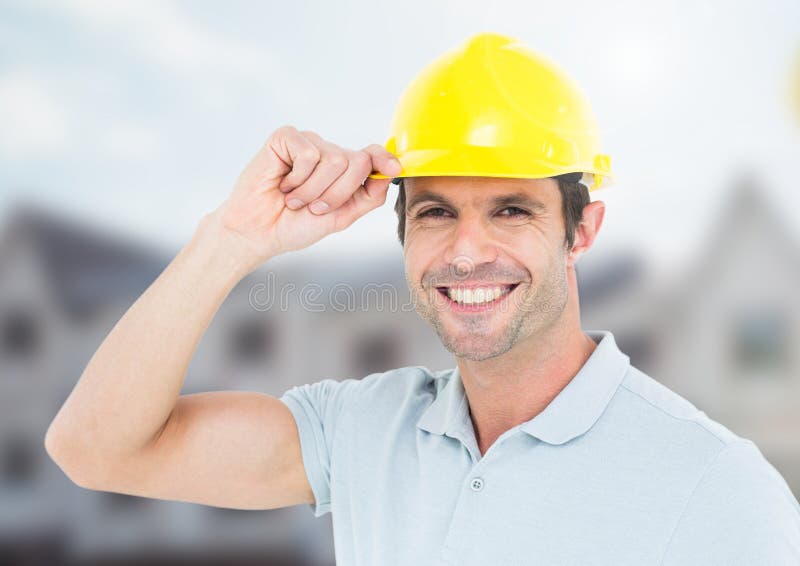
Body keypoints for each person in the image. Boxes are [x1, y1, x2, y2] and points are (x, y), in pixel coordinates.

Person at [45, 32, 800, 565]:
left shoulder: (716, 487)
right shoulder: (361, 432)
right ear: (402, 231)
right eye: (437, 211)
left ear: (582, 230)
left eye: (511, 210)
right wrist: (232, 238)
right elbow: (93, 448)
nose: (467, 252)